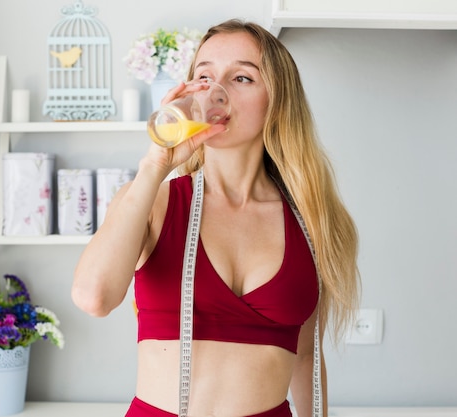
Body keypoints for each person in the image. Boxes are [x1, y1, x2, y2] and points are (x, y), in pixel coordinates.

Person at [72, 19, 360, 417]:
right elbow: (94, 297)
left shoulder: (311, 221)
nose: (215, 90)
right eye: (203, 76)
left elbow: (306, 357)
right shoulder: (155, 202)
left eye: (241, 77)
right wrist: (157, 163)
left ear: (277, 100)